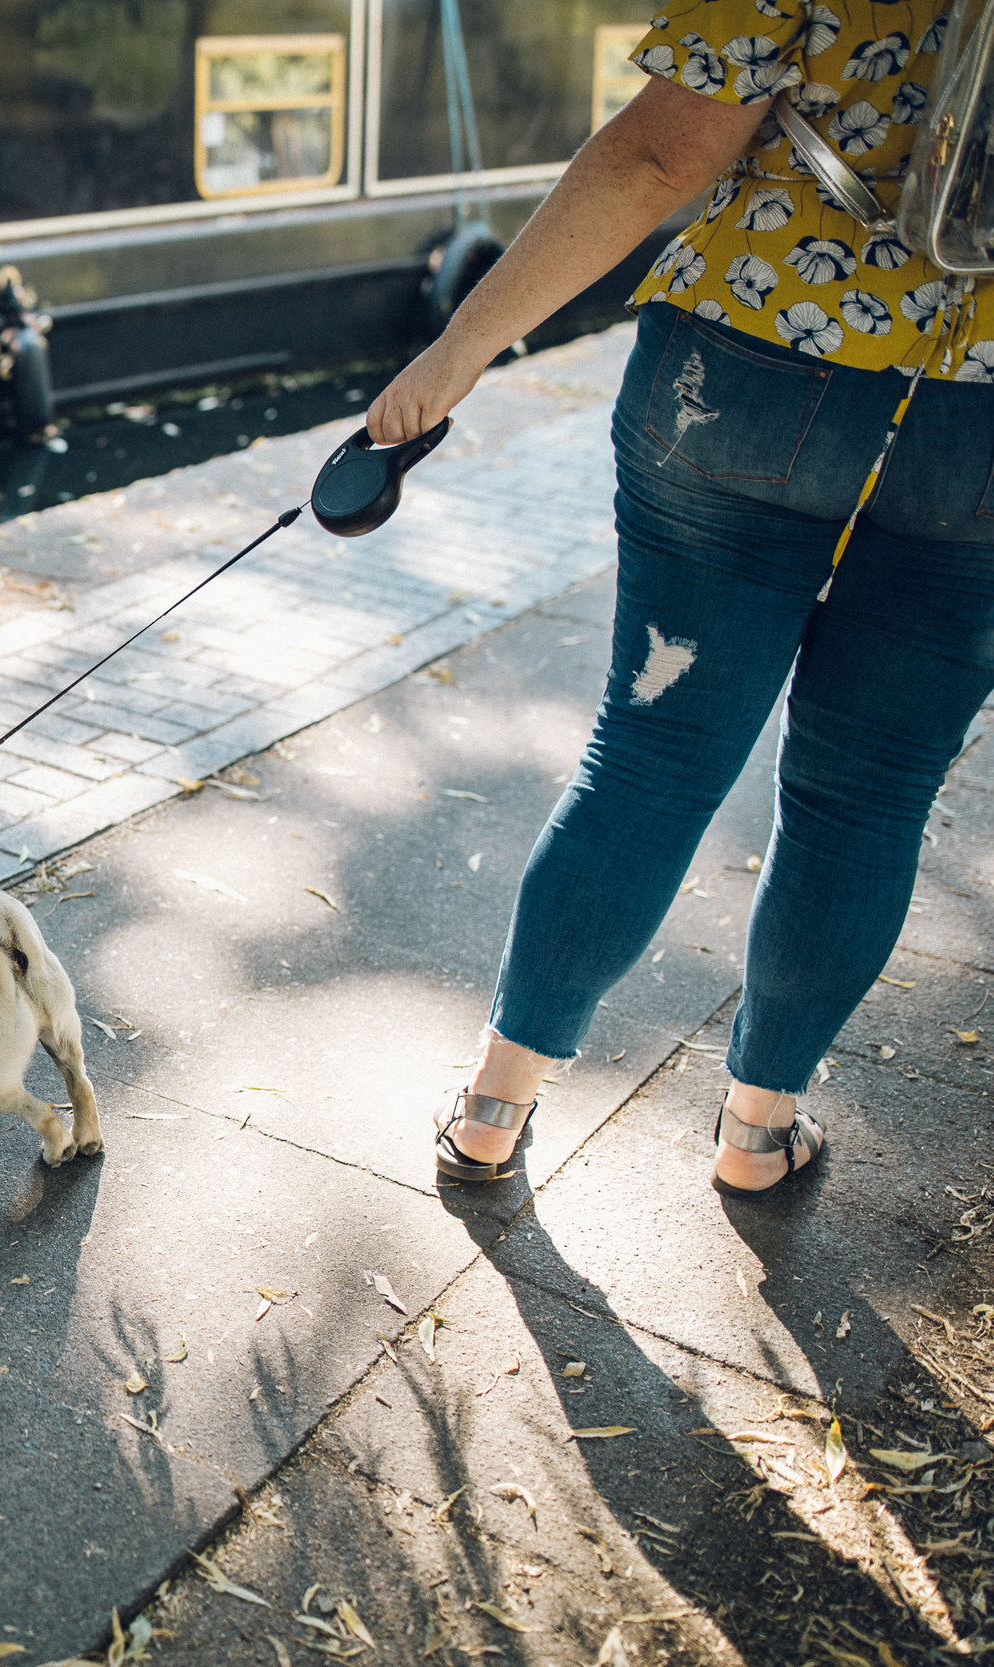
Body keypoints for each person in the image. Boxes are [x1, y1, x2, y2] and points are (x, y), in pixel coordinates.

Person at [372, 1, 990, 1196]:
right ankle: (758, 1134)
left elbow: (663, 149)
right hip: (978, 433)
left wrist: (453, 358)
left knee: (651, 757)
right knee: (867, 798)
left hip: (748, 365)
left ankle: (493, 1109)